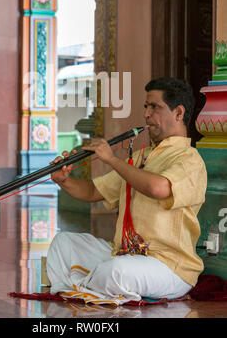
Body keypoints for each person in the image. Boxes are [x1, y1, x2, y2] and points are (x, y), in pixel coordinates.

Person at [46, 78, 207, 306]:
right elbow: (93, 191)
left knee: (117, 271)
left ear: (179, 113)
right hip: (125, 255)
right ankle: (91, 288)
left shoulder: (190, 159)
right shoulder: (142, 157)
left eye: (155, 107)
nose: (147, 115)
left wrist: (112, 159)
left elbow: (158, 188)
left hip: (169, 267)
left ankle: (82, 287)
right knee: (63, 244)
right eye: (146, 107)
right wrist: (64, 180)